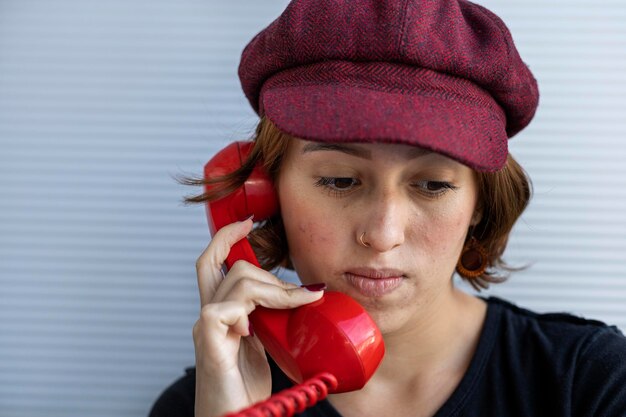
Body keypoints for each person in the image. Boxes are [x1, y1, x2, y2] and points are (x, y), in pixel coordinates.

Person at [149, 0, 626, 416]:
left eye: (434, 184)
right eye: (339, 180)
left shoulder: (594, 384)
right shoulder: (203, 402)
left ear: (480, 203)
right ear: (264, 193)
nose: (382, 234)